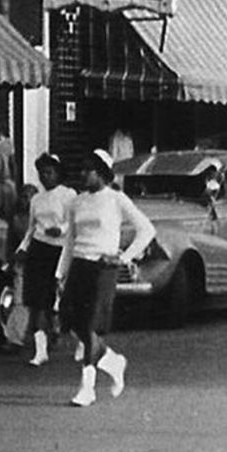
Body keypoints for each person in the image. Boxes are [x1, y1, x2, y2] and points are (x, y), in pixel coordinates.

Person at [54, 150, 155, 407]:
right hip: (79, 265)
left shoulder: (117, 199)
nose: (83, 174)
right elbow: (70, 240)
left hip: (102, 268)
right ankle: (112, 361)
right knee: (71, 322)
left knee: (89, 326)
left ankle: (87, 388)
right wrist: (60, 273)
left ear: (101, 172)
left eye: (88, 170)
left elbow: (146, 230)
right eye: (82, 169)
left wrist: (123, 257)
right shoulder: (76, 202)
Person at [14, 154, 76, 367]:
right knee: (36, 299)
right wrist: (22, 248)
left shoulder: (68, 195)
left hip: (60, 249)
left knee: (60, 298)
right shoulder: (36, 199)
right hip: (39, 250)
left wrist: (61, 229)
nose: (45, 177)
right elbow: (31, 228)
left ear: (58, 173)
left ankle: (79, 340)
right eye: (41, 173)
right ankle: (40, 351)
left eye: (49, 172)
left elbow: (73, 223)